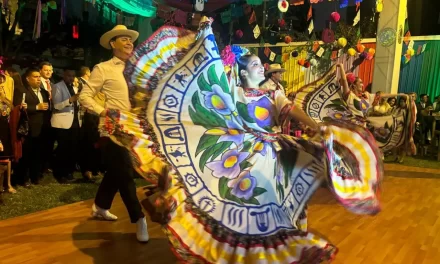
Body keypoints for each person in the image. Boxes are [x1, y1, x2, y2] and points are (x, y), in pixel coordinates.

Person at [110, 18, 382, 262]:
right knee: (231, 206)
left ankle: (281, 252)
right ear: (243, 72)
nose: (262, 68)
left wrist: (316, 126)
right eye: (255, 64)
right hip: (241, 157)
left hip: (272, 160)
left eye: (261, 65)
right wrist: (206, 36)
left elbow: (290, 110)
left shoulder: (273, 94)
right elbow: (211, 80)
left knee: (281, 212)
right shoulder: (234, 93)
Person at [79, 25, 148, 242]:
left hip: (135, 128)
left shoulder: (139, 69)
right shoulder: (103, 68)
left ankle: (100, 206)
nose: (129, 43)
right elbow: (84, 96)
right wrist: (103, 112)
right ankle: (139, 220)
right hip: (112, 129)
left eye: (130, 39)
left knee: (116, 171)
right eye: (124, 39)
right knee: (125, 172)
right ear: (112, 44)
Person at [16, 68, 51, 186]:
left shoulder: (43, 92)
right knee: (26, 154)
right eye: (35, 77)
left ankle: (35, 176)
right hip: (28, 127)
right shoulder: (22, 90)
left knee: (38, 153)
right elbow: (18, 108)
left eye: (38, 77)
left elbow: (47, 109)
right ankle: (23, 178)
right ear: (28, 78)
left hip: (42, 128)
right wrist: (36, 107)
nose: (38, 79)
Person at [51, 69, 81, 183]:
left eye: (73, 76)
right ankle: (60, 174)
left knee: (72, 149)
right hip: (62, 123)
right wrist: (70, 100)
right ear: (64, 75)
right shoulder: (57, 87)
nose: (71, 78)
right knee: (63, 150)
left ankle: (69, 173)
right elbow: (57, 106)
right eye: (69, 75)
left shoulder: (74, 87)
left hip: (75, 122)